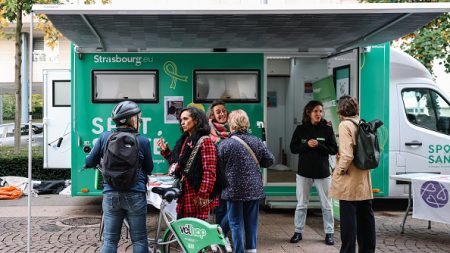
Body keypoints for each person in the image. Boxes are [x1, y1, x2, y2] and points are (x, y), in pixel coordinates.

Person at [85, 100, 153, 253]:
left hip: (111, 194)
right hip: (136, 193)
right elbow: (149, 168)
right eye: (138, 118)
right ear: (133, 119)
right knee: (140, 240)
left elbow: (89, 161)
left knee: (109, 240)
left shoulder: (105, 137)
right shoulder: (142, 140)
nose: (139, 121)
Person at [218, 109, 274, 253]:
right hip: (253, 189)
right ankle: (251, 249)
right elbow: (269, 161)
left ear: (231, 124)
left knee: (235, 222)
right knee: (251, 222)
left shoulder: (225, 144)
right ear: (246, 123)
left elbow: (219, 167)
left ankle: (238, 250)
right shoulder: (256, 141)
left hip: (233, 190)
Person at [329, 95, 376, 253]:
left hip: (349, 180)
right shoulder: (361, 122)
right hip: (364, 179)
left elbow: (347, 155)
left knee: (349, 222)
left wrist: (338, 171)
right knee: (366, 220)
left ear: (341, 111)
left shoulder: (345, 125)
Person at [289, 100, 338, 245]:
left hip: (323, 173)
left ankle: (329, 233)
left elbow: (333, 150)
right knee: (301, 204)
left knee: (327, 205)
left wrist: (319, 145)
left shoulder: (327, 129)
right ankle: (298, 232)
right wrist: (306, 145)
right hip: (304, 173)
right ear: (308, 112)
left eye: (321, 111)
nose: (319, 114)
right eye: (316, 111)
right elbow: (293, 148)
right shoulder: (300, 129)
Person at [158, 107, 218, 220]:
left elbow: (210, 171)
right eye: (181, 120)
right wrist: (166, 151)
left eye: (185, 119)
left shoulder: (205, 141)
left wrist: (203, 195)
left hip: (197, 195)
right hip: (185, 194)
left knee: (196, 232)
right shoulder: (185, 139)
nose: (182, 122)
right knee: (184, 230)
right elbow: (178, 163)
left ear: (196, 120)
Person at [207, 100, 230, 235]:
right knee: (221, 208)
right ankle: (221, 236)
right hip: (218, 176)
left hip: (232, 173)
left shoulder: (232, 128)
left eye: (223, 111)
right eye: (218, 112)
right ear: (213, 115)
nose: (222, 114)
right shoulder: (208, 132)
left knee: (230, 207)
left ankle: (222, 234)